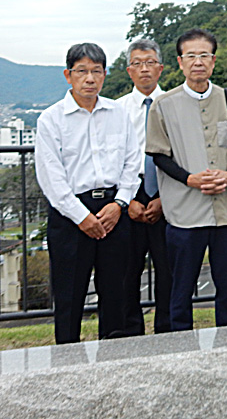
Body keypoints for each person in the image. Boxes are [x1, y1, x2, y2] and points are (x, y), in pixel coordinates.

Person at [146, 29, 227, 330]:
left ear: (214, 61)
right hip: (184, 213)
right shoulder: (164, 105)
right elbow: (159, 155)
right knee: (179, 289)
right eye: (191, 56)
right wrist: (189, 179)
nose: (198, 62)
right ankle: (181, 350)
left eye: (204, 55)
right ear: (180, 62)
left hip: (226, 212)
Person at [35, 43, 141, 343]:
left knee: (116, 294)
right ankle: (67, 365)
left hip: (113, 211)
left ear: (105, 75)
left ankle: (113, 360)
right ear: (68, 75)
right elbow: (51, 177)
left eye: (96, 71)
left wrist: (120, 203)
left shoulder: (118, 113)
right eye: (82, 71)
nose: (90, 78)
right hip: (70, 216)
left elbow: (132, 163)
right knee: (69, 297)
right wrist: (82, 217)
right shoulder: (51, 119)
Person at [117, 38, 172, 335]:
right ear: (129, 71)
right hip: (130, 194)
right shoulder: (116, 109)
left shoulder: (175, 103)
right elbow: (110, 158)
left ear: (161, 68)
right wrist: (125, 201)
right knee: (127, 272)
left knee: (168, 272)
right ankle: (129, 334)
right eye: (137, 63)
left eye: (150, 62)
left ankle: (166, 333)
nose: (144, 69)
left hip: (168, 193)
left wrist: (165, 197)